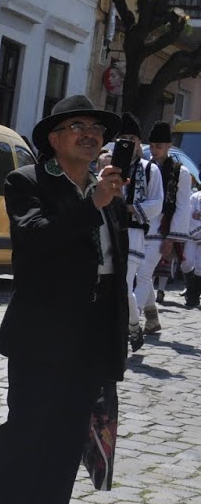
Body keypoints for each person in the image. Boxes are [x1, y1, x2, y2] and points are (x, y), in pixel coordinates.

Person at [0, 95, 128, 504]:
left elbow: (113, 267)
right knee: (24, 438)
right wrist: (91, 206)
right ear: (55, 139)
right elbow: (37, 242)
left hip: (91, 335)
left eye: (96, 128)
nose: (90, 134)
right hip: (42, 334)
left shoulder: (107, 189)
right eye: (78, 126)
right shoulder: (28, 182)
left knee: (65, 445)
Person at [115, 114, 163, 351]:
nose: (127, 142)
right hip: (110, 230)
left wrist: (132, 208)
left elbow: (157, 203)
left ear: (139, 142)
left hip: (134, 232)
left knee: (124, 284)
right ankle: (124, 325)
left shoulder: (150, 169)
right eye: (122, 138)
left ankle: (132, 325)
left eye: (131, 138)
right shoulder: (111, 165)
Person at [147, 122, 193, 330]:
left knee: (143, 273)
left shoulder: (179, 172)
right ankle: (151, 315)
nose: (154, 150)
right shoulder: (144, 167)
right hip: (141, 226)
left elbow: (183, 206)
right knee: (142, 275)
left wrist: (172, 237)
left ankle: (132, 319)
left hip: (162, 228)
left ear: (168, 146)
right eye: (152, 146)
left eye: (159, 146)